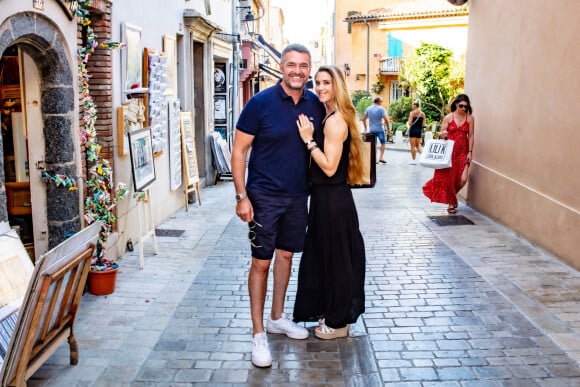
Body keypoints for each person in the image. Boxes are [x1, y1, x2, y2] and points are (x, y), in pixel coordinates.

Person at [231, 43, 326, 368]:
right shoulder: (260, 104)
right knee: (261, 263)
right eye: (291, 65)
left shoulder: (315, 103)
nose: (297, 70)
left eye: (303, 65)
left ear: (308, 69)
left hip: (299, 196)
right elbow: (239, 152)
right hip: (263, 198)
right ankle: (258, 334)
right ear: (282, 67)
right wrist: (241, 196)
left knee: (286, 256)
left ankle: (277, 317)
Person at [293, 64, 366, 340]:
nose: (321, 88)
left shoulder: (335, 121)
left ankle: (338, 323)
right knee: (330, 257)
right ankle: (335, 315)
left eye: (326, 83)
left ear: (337, 85)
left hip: (333, 200)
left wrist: (309, 141)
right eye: (317, 83)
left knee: (337, 260)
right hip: (327, 200)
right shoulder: (332, 115)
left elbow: (330, 167)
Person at [422, 94, 475, 213]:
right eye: (461, 106)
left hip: (463, 152)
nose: (463, 109)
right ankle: (451, 203)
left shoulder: (470, 118)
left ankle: (452, 196)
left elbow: (471, 136)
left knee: (463, 178)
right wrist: (443, 134)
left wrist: (470, 152)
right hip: (449, 152)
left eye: (466, 107)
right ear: (456, 104)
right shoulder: (449, 117)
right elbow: (441, 134)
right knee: (449, 179)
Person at [362, 96, 390, 164]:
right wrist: (388, 129)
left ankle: (375, 159)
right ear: (379, 102)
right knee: (383, 143)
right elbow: (386, 119)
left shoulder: (368, 108)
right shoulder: (381, 109)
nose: (382, 103)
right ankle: (381, 157)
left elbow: (363, 119)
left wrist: (365, 128)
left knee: (374, 145)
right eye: (381, 101)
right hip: (380, 129)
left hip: (372, 130)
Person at [407, 100, 426, 165]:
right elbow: (424, 125)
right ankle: (424, 158)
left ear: (415, 105)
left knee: (412, 146)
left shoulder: (412, 113)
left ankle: (413, 160)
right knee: (418, 146)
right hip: (419, 131)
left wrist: (408, 121)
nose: (412, 106)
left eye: (412, 105)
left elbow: (409, 123)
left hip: (413, 130)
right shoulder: (423, 113)